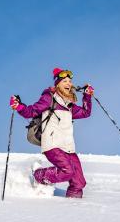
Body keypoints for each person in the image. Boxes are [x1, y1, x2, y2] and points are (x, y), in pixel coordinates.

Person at [10, 68, 94, 198]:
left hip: (68, 147)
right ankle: (39, 176)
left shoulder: (69, 105)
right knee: (67, 171)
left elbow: (85, 112)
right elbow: (32, 111)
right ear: (57, 84)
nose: (68, 84)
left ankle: (74, 206)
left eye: (70, 81)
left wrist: (87, 96)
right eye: (64, 81)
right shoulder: (49, 98)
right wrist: (19, 106)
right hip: (52, 144)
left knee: (79, 182)